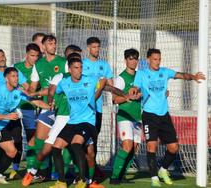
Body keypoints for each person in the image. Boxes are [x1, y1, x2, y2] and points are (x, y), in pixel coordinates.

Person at [129, 48, 205, 187]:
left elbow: (180, 75)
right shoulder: (142, 74)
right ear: (148, 60)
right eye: (154, 59)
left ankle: (163, 170)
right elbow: (135, 87)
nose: (157, 62)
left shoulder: (165, 72)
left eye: (159, 59)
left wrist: (193, 77)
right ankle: (154, 178)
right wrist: (133, 91)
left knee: (174, 147)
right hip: (149, 115)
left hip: (164, 115)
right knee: (152, 146)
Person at [0, 67, 50, 186]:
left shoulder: (18, 92)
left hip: (0, 126)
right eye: (13, 76)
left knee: (12, 152)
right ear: (6, 78)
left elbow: (35, 102)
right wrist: (7, 117)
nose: (16, 78)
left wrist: (50, 107)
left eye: (17, 76)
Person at [50, 57, 107, 188]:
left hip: (87, 122)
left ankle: (82, 180)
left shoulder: (90, 80)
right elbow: (53, 91)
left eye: (81, 67)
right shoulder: (64, 83)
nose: (79, 70)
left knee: (76, 145)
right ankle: (62, 182)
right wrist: (49, 99)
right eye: (76, 68)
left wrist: (125, 95)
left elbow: (105, 84)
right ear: (69, 70)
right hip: (72, 122)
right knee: (56, 147)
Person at [22, 34, 67, 185]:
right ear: (44, 46)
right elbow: (33, 88)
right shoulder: (38, 65)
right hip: (47, 108)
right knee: (40, 139)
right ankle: (42, 171)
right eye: (50, 43)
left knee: (64, 142)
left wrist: (40, 93)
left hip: (63, 108)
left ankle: (61, 171)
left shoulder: (63, 62)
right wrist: (29, 92)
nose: (54, 46)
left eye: (55, 43)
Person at [82, 36, 113, 176]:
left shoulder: (104, 65)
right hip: (84, 110)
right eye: (94, 47)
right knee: (82, 140)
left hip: (98, 109)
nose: (97, 50)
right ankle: (83, 170)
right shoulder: (82, 65)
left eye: (98, 47)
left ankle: (92, 169)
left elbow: (110, 85)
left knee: (94, 140)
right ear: (88, 48)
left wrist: (119, 97)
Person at [110, 48, 142, 184]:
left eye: (135, 59)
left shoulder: (140, 77)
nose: (133, 61)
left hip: (137, 117)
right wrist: (128, 97)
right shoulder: (121, 79)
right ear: (125, 60)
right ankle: (114, 177)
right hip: (124, 117)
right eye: (130, 58)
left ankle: (121, 176)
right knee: (127, 145)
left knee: (134, 148)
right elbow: (114, 99)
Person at [12, 43, 41, 179]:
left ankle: (29, 170)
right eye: (32, 55)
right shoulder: (16, 67)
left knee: (31, 138)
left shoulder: (39, 69)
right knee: (15, 138)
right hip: (15, 107)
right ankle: (13, 168)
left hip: (30, 107)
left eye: (37, 56)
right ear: (26, 55)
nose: (35, 58)